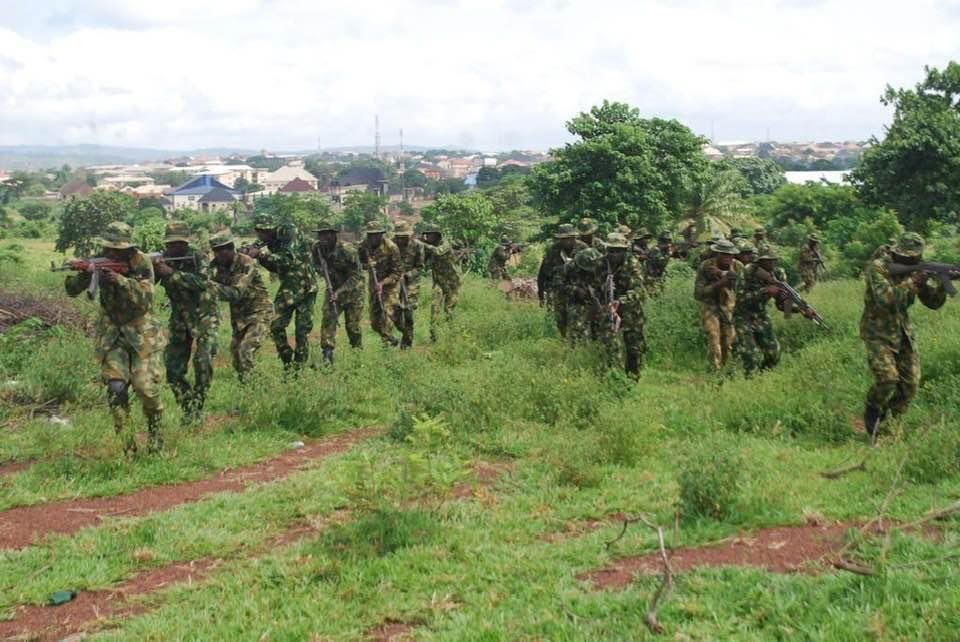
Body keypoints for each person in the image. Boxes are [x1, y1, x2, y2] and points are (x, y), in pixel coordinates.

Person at [64, 222, 165, 454]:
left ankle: (156, 436)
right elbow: (71, 290)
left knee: (145, 389)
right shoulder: (98, 260)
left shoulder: (141, 261)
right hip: (112, 335)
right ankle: (126, 444)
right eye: (109, 248)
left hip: (142, 334)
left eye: (117, 249)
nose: (111, 253)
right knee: (116, 387)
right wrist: (85, 275)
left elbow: (146, 300)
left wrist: (119, 280)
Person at [860, 233, 946, 438]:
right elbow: (885, 301)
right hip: (877, 333)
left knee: (910, 384)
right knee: (888, 379)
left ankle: (890, 424)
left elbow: (933, 303)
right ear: (896, 252)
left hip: (903, 333)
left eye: (913, 259)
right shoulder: (878, 267)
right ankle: (873, 408)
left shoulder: (918, 268)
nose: (909, 261)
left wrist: (940, 282)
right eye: (905, 258)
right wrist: (913, 282)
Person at [153, 221, 219, 426]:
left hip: (204, 318)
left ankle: (198, 405)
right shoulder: (162, 259)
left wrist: (172, 274)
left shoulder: (198, 257)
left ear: (186, 242)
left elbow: (203, 283)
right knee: (173, 370)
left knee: (202, 363)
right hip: (180, 320)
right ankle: (188, 407)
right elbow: (144, 281)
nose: (174, 248)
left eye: (178, 244)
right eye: (171, 244)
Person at [243, 213, 318, 372]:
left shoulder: (289, 231)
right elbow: (276, 267)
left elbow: (288, 259)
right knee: (275, 325)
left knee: (301, 330)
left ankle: (299, 368)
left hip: (306, 287)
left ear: (273, 228)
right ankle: (287, 360)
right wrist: (253, 254)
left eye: (266, 231)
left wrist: (261, 254)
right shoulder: (265, 241)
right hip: (288, 288)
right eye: (260, 232)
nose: (263, 235)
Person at [733, 250, 814, 376]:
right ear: (760, 261)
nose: (771, 263)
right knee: (750, 353)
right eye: (767, 261)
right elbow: (740, 298)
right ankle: (750, 380)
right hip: (742, 315)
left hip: (761, 315)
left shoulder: (778, 274)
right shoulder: (747, 271)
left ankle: (762, 376)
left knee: (773, 353)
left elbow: (782, 305)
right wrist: (764, 291)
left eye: (773, 260)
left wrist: (801, 309)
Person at [208, 230, 272, 382]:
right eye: (216, 250)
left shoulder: (245, 263)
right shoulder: (215, 265)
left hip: (259, 313)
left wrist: (206, 285)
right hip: (240, 317)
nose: (219, 254)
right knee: (236, 356)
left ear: (230, 248)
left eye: (223, 249)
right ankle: (253, 385)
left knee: (245, 351)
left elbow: (235, 293)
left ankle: (253, 390)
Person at [311, 220, 363, 364]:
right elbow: (315, 264)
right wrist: (322, 271)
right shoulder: (317, 249)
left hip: (353, 291)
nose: (322, 238)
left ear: (333, 235)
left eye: (326, 234)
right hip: (332, 288)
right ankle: (327, 355)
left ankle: (357, 354)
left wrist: (340, 292)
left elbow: (356, 276)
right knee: (328, 318)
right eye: (320, 234)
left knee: (353, 326)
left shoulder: (348, 250)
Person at [599, 233, 646, 375]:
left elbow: (639, 289)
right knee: (609, 345)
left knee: (634, 347)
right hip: (607, 309)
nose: (614, 254)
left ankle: (632, 377)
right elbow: (594, 284)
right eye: (611, 251)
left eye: (618, 251)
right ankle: (611, 376)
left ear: (625, 251)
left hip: (630, 310)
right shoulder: (601, 263)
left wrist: (622, 300)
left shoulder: (632, 263)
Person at [694, 239, 743, 371]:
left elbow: (743, 286)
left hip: (729, 307)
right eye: (724, 254)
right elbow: (698, 294)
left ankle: (725, 368)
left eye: (730, 255)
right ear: (717, 254)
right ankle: (715, 369)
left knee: (728, 341)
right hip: (710, 306)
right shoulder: (705, 266)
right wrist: (719, 284)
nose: (728, 258)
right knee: (713, 335)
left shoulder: (738, 266)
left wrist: (723, 275)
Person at [537, 224, 587, 337]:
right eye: (563, 239)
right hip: (560, 290)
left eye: (569, 238)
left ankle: (579, 343)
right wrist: (541, 294)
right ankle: (564, 340)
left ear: (574, 237)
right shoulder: (554, 250)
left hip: (579, 290)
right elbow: (543, 272)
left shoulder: (583, 249)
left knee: (579, 320)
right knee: (561, 319)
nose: (566, 241)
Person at [359, 220, 403, 346]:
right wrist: (367, 265)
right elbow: (357, 264)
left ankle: (386, 347)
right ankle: (390, 338)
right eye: (371, 235)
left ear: (381, 234)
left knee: (386, 314)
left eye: (376, 234)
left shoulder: (391, 247)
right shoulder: (363, 246)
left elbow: (397, 272)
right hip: (374, 285)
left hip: (390, 285)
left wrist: (383, 283)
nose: (373, 237)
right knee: (374, 322)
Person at [421, 225, 463, 342]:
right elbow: (423, 263)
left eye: (429, 235)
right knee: (434, 306)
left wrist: (423, 244)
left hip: (452, 281)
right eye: (426, 235)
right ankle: (433, 335)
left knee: (449, 309)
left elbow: (438, 252)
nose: (427, 237)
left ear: (436, 235)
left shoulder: (445, 243)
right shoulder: (430, 247)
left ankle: (452, 334)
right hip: (439, 281)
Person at [393, 221, 427, 349]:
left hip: (411, 284)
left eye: (404, 237)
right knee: (393, 313)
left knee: (408, 312)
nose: (401, 240)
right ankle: (405, 333)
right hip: (393, 283)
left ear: (409, 235)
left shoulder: (417, 246)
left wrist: (408, 275)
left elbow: (419, 267)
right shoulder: (391, 245)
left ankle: (407, 344)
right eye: (399, 237)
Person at [562, 247, 604, 343]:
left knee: (599, 326)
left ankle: (596, 345)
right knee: (577, 328)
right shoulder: (570, 267)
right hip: (576, 301)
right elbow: (560, 285)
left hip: (596, 299)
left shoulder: (601, 264)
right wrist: (576, 289)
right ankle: (576, 347)